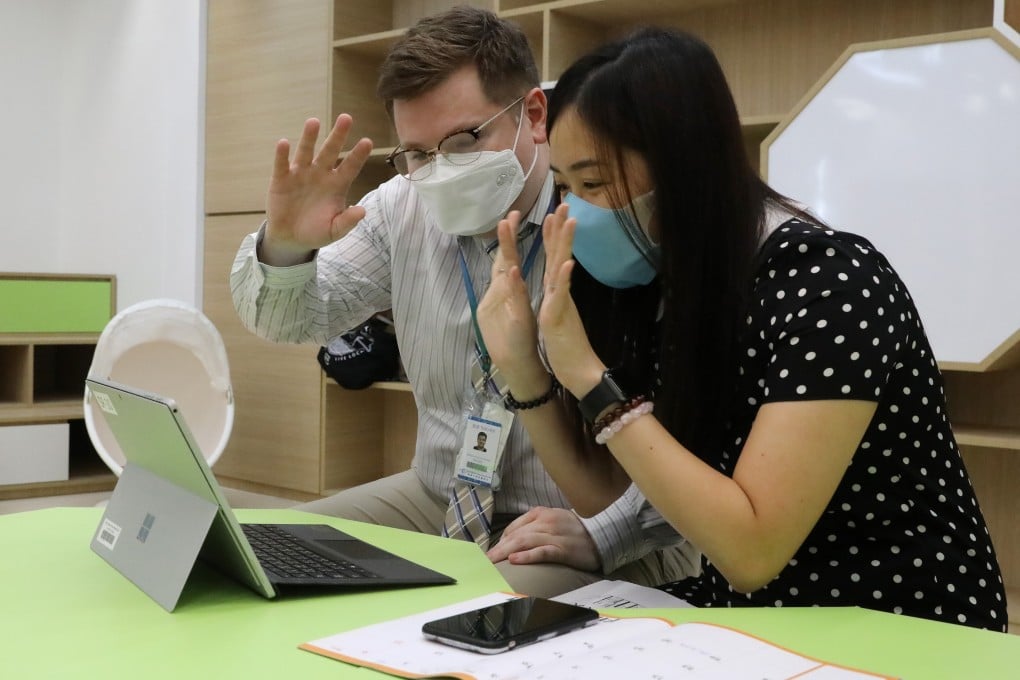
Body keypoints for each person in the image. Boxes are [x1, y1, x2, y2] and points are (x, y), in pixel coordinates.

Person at [475, 26, 1007, 630]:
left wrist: (590, 378)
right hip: (752, 615)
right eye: (567, 187)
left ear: (682, 167)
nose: (578, 212)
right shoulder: (666, 280)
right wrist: (525, 367)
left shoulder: (831, 281)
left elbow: (752, 551)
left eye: (595, 183)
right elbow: (604, 494)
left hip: (895, 619)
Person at [230, 6, 699, 597]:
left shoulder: (607, 208)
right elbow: (289, 319)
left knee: (468, 617)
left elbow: (705, 452)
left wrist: (608, 532)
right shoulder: (403, 203)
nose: (439, 171)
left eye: (462, 141)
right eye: (419, 153)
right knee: (263, 557)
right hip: (438, 494)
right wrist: (287, 247)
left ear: (533, 115)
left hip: (593, 520)